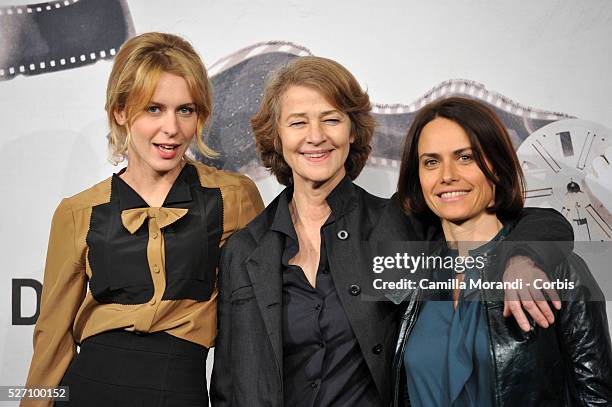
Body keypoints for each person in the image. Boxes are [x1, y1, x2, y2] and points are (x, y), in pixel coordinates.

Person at [210, 57, 574, 406]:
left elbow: (537, 221)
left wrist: (524, 257)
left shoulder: (399, 221)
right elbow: (228, 384)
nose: (316, 136)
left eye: (331, 119)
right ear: (276, 136)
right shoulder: (244, 249)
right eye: (298, 122)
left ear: (353, 131)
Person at [22, 32, 264, 407]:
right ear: (120, 111)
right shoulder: (78, 211)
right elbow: (52, 338)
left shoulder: (233, 196)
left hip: (179, 387)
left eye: (185, 109)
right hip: (89, 388)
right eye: (154, 109)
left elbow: (256, 319)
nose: (172, 128)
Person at [390, 96, 612, 406]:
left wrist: (521, 257)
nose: (447, 175)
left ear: (497, 165)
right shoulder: (411, 273)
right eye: (431, 161)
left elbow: (597, 398)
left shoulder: (558, 269)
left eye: (465, 157)